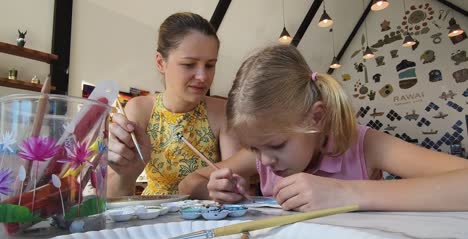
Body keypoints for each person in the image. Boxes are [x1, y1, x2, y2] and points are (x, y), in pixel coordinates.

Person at [180, 44, 468, 212]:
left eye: (277, 145)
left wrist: (346, 194)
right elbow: (188, 183)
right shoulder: (263, 156)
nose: (264, 161)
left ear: (316, 118)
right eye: (255, 148)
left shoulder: (364, 145)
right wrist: (217, 190)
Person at [107, 12, 240, 196]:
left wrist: (226, 187)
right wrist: (125, 173)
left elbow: (236, 179)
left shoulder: (222, 112)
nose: (203, 77)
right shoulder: (141, 110)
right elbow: (112, 196)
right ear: (161, 62)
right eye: (189, 64)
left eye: (210, 65)